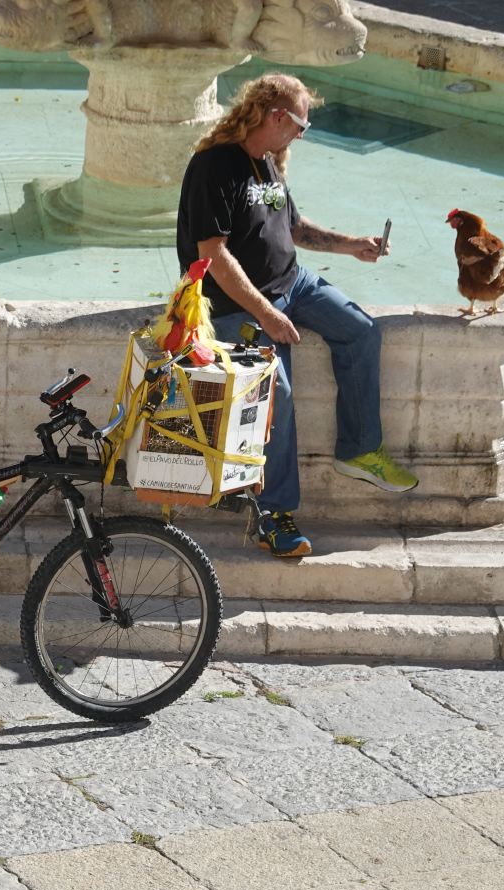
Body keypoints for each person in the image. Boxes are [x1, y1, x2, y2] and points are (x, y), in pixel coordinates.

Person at [176, 72, 416, 558]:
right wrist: (265, 313)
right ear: (276, 116)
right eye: (302, 126)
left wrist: (352, 246)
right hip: (234, 303)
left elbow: (294, 227)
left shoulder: (267, 162)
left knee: (361, 332)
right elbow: (215, 256)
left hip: (293, 283)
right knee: (276, 394)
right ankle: (274, 515)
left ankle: (358, 450)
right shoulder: (215, 166)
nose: (302, 136)